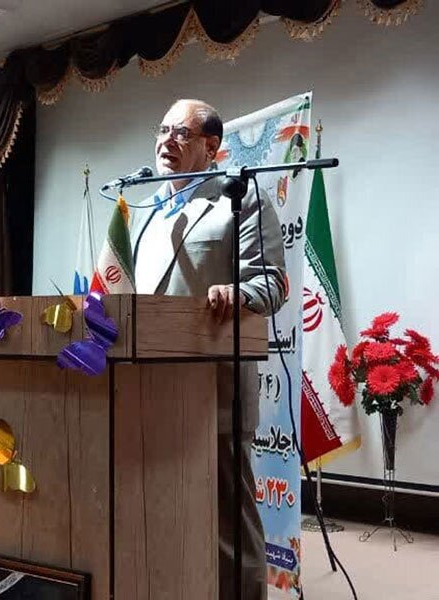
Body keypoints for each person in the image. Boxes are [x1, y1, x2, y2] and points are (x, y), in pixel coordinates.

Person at [130, 99, 287, 600]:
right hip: (150, 389)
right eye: (162, 129)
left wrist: (238, 293)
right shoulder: (145, 213)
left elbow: (272, 281)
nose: (166, 140)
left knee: (227, 526)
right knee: (161, 511)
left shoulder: (239, 199)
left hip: (215, 389)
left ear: (211, 146)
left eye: (181, 132)